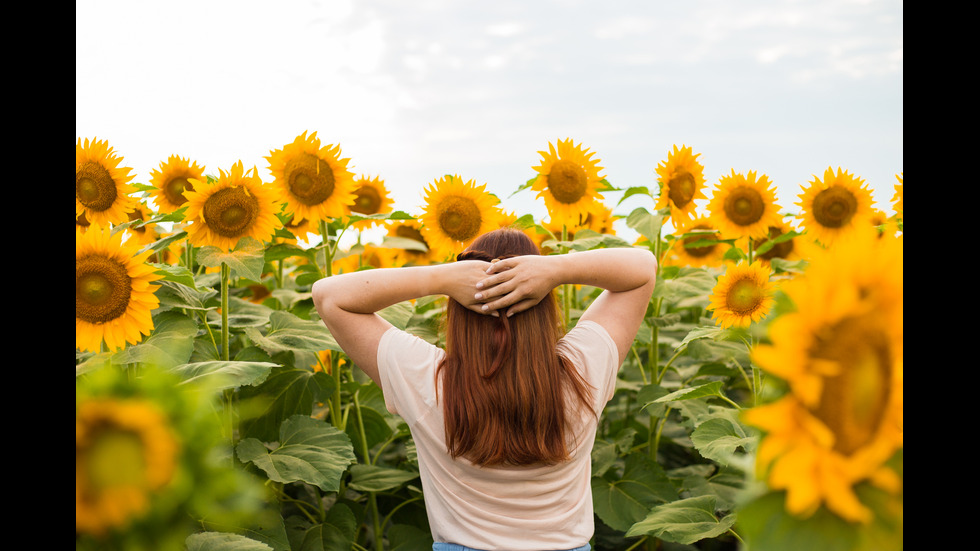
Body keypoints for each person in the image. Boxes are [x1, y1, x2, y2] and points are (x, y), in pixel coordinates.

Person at [312, 227, 657, 551]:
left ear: (458, 310)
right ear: (545, 303)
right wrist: (555, 269)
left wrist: (441, 277)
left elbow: (329, 296)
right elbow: (643, 267)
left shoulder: (425, 377)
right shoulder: (583, 370)